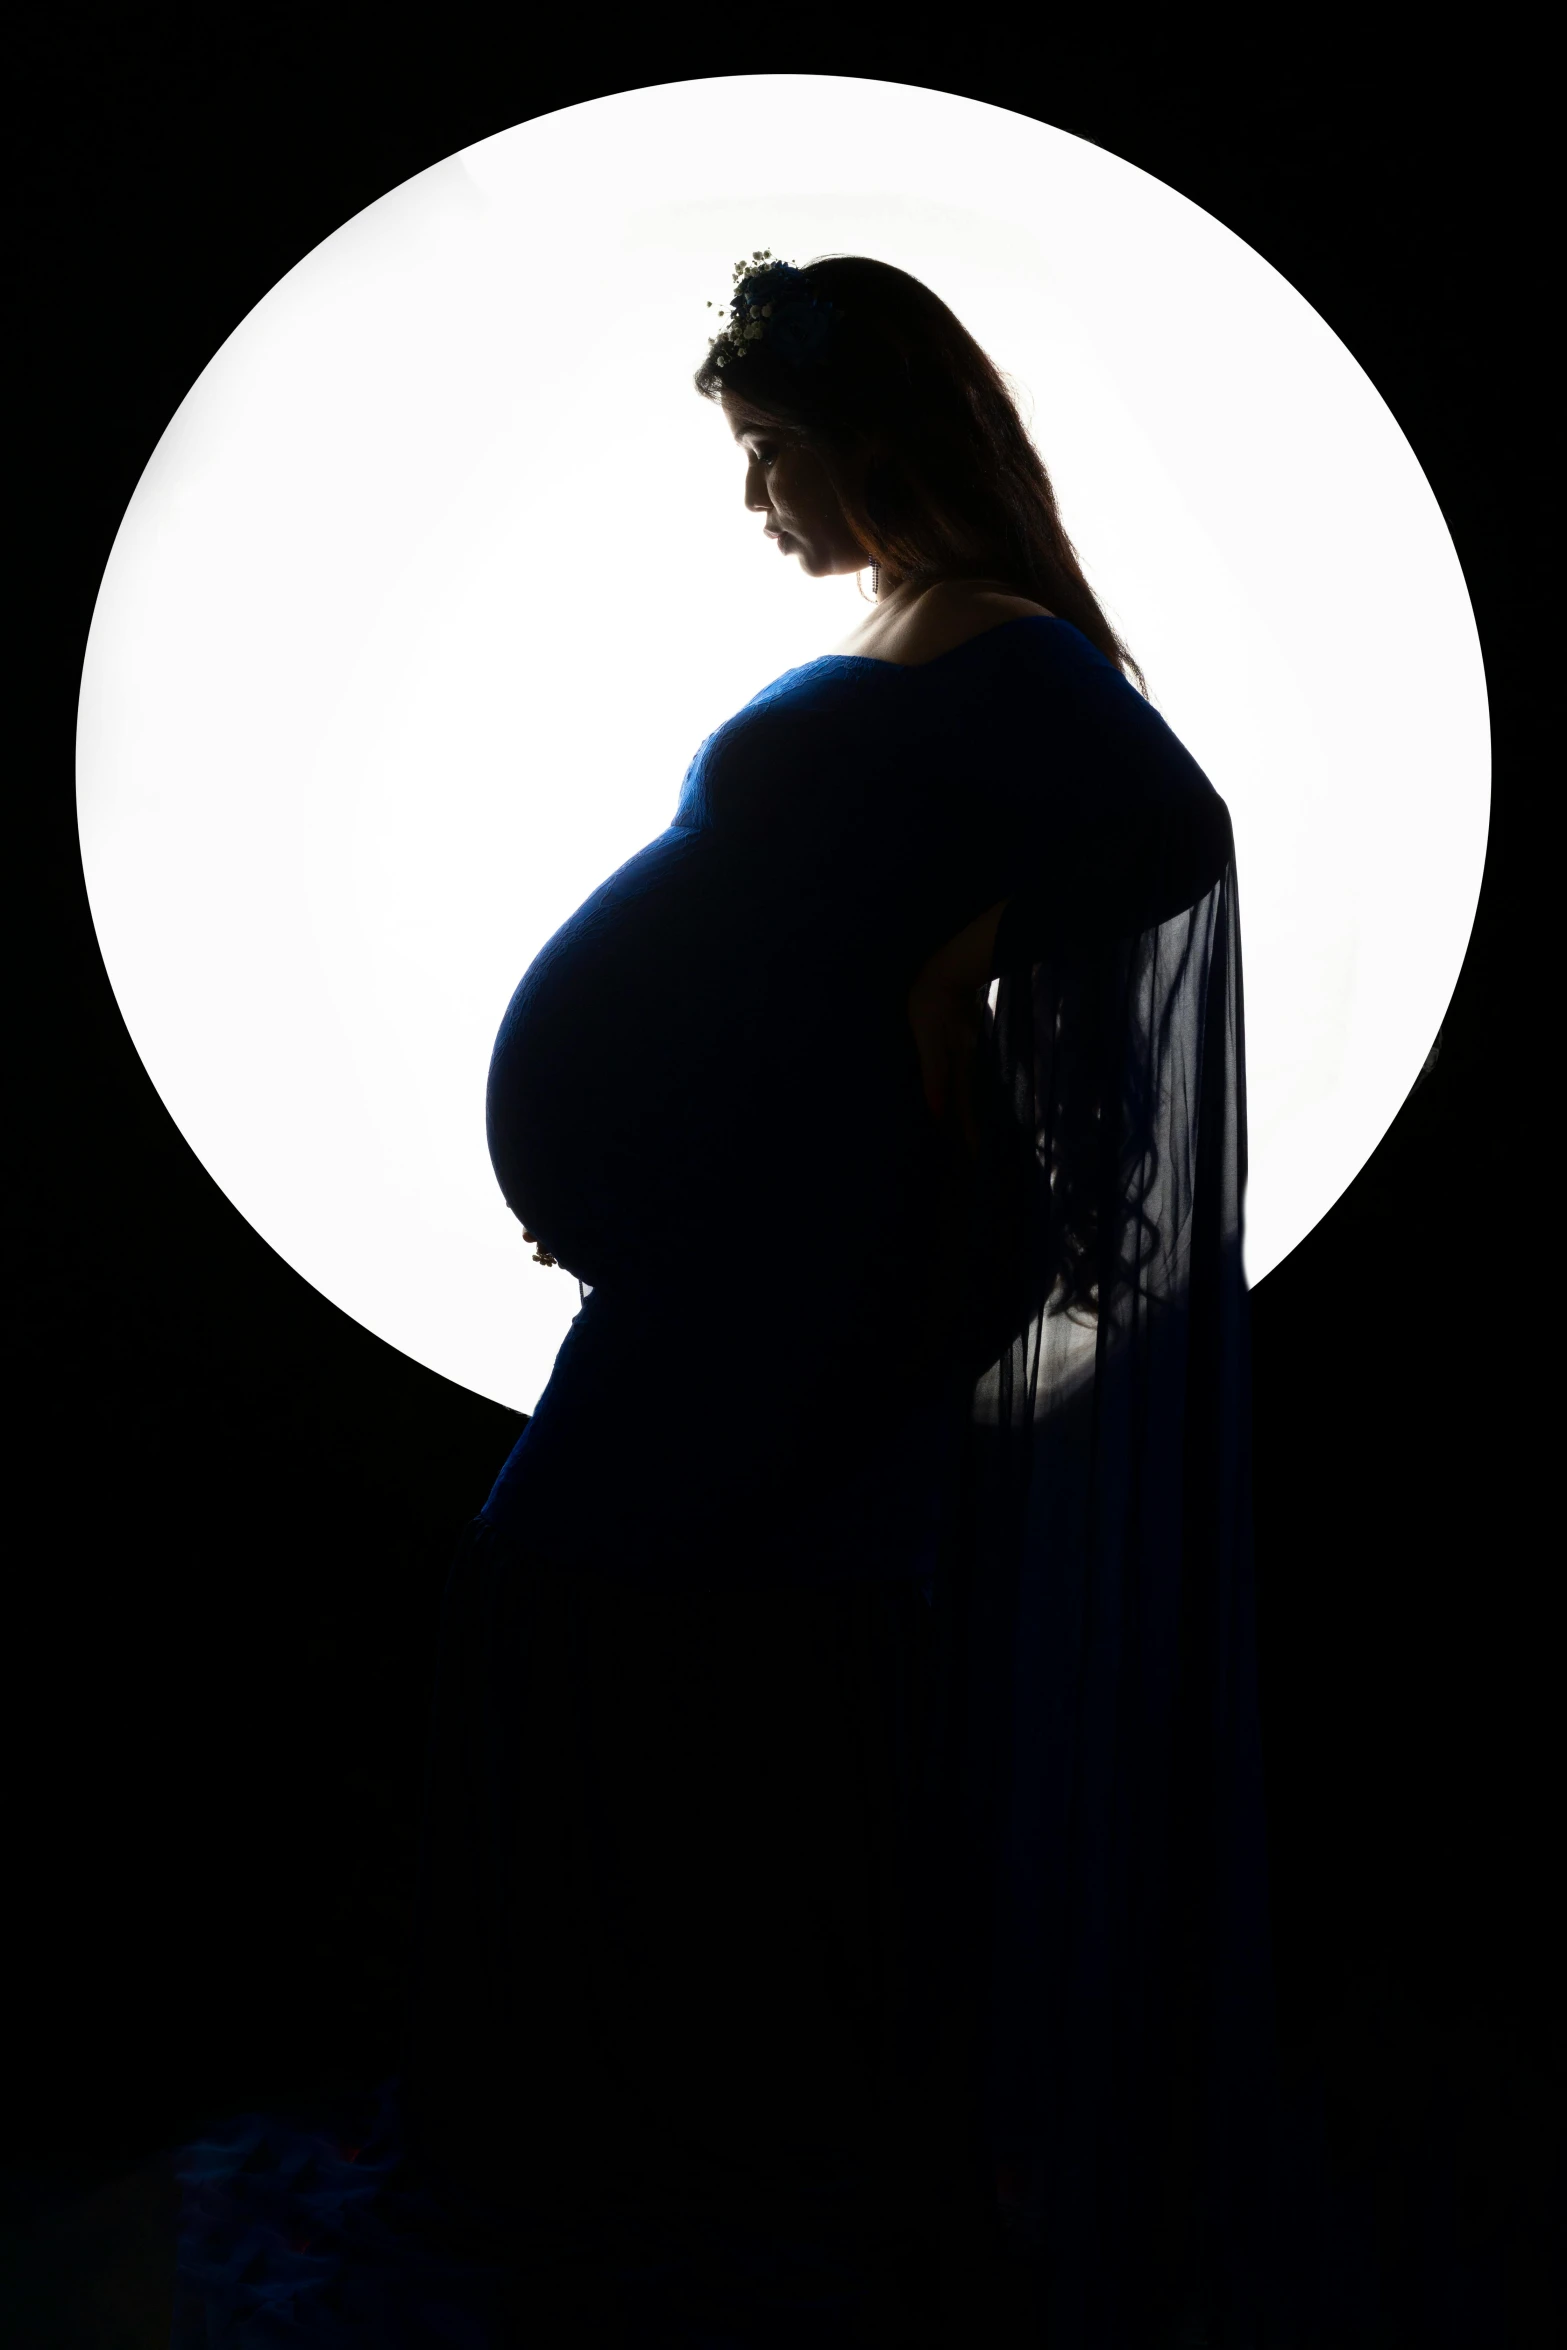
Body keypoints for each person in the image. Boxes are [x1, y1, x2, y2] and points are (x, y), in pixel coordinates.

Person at [170, 252, 1276, 2348]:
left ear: (879, 442)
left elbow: (1132, 856)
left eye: (772, 456)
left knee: (646, 1629)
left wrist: (862, 1184)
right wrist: (657, 1147)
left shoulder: (1029, 668)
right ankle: (637, 2105)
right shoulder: (916, 634)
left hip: (811, 1294)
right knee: (591, 1615)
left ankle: (684, 2126)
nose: (761, 501)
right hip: (735, 1268)